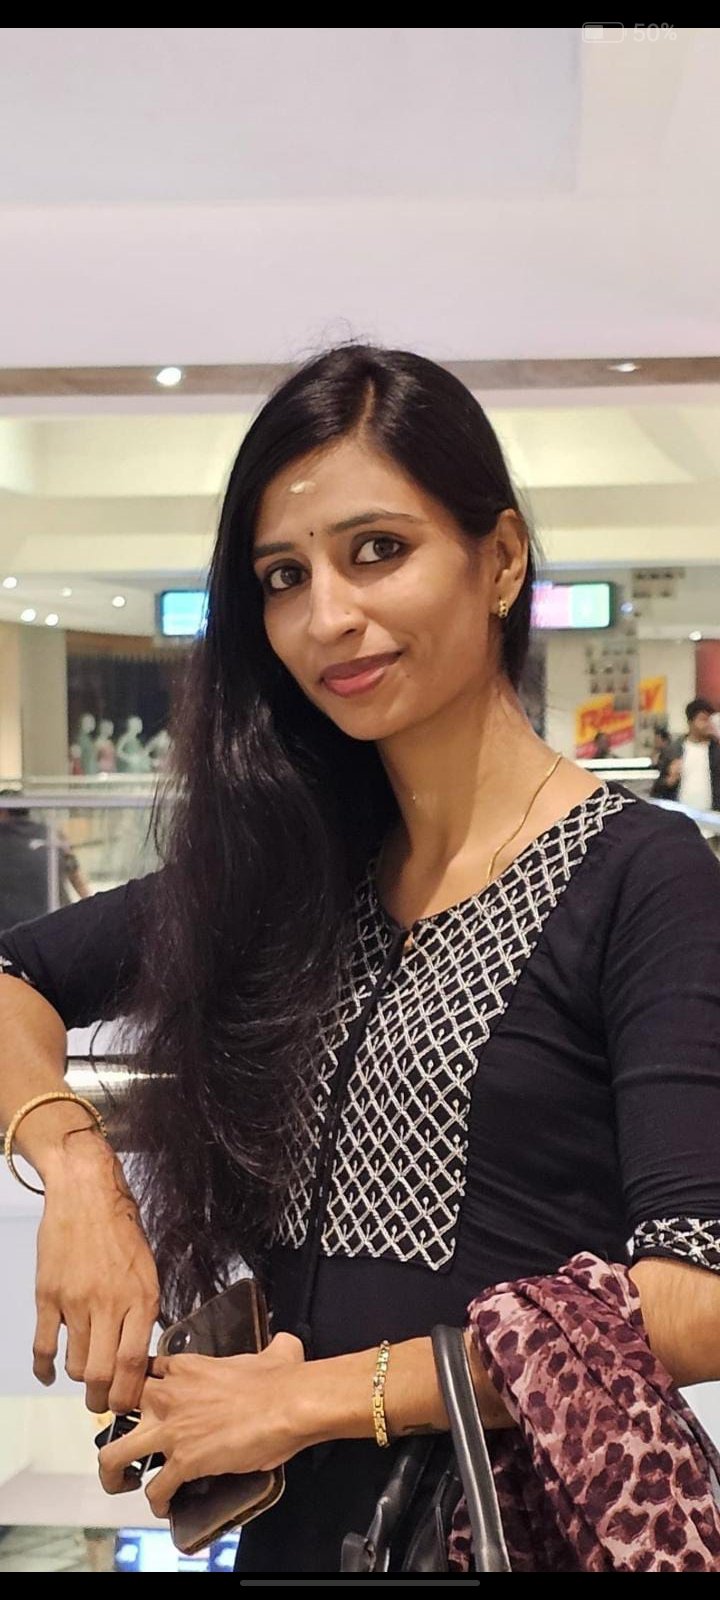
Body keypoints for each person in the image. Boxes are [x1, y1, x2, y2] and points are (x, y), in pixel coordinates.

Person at [1, 345, 720, 1575]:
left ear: (500, 560)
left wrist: (311, 1398)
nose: (327, 615)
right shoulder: (298, 875)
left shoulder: (642, 875)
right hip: (294, 1532)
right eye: (284, 575)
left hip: (506, 1527)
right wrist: (76, 1171)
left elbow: (696, 1296)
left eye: (377, 549)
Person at [0, 796, 91, 929]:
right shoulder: (52, 834)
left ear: (2, 811)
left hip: (11, 929)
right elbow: (75, 874)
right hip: (55, 922)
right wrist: (92, 908)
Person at [650, 698, 720, 826]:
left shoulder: (716, 751)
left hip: (713, 822)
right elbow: (657, 790)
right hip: (680, 822)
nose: (707, 724)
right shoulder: (673, 751)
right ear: (690, 722)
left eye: (709, 720)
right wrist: (670, 780)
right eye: (703, 720)